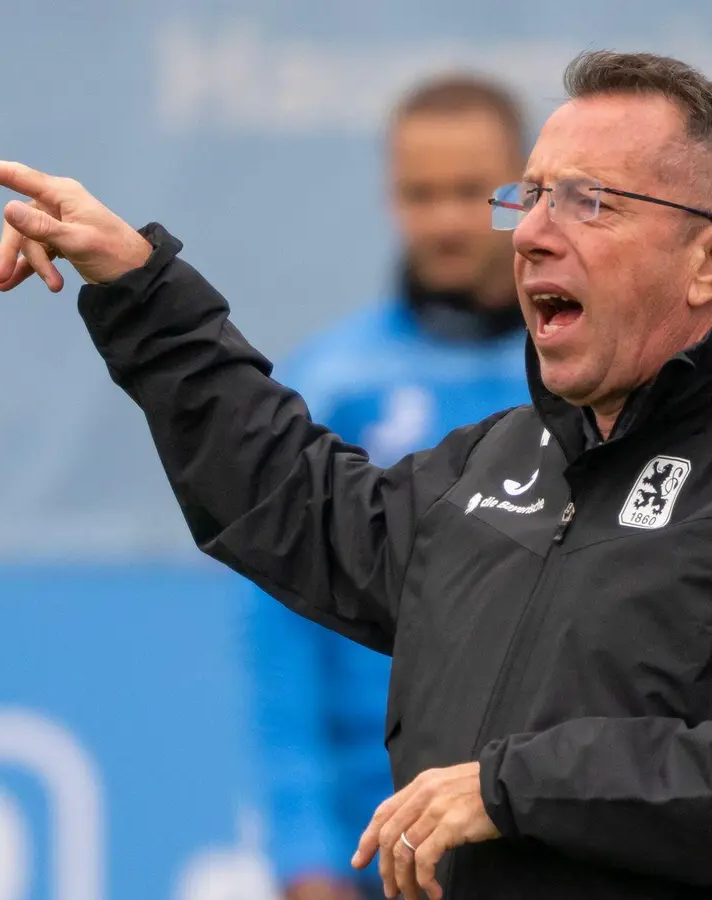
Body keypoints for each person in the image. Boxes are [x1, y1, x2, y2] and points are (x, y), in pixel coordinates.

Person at [0, 49, 712, 900]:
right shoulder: (503, 458)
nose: (531, 233)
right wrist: (140, 286)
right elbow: (295, 505)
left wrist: (513, 788)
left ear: (710, 260)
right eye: (530, 198)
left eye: (588, 202)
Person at [246, 75, 530, 900]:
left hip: (545, 824)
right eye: (420, 194)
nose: (445, 220)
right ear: (389, 196)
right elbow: (280, 631)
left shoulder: (583, 374)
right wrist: (305, 850)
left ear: (523, 191)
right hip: (377, 843)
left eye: (470, 193)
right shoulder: (331, 386)